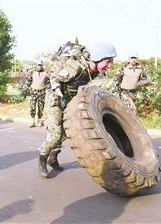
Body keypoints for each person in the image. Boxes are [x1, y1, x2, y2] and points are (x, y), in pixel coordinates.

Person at [38, 42, 117, 178]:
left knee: (66, 131)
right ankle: (42, 158)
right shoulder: (76, 68)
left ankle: (53, 158)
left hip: (69, 99)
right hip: (55, 99)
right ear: (98, 58)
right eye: (108, 61)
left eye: (111, 62)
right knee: (56, 133)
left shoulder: (93, 70)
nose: (110, 65)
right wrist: (58, 91)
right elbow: (54, 76)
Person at [25, 59, 50, 127]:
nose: (39, 66)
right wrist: (26, 87)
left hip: (42, 92)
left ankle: (38, 121)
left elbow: (48, 84)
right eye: (38, 65)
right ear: (36, 65)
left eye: (40, 65)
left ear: (42, 66)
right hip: (34, 92)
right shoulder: (32, 73)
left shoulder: (46, 74)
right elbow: (29, 82)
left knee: (41, 107)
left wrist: (48, 90)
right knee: (32, 106)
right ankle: (32, 121)